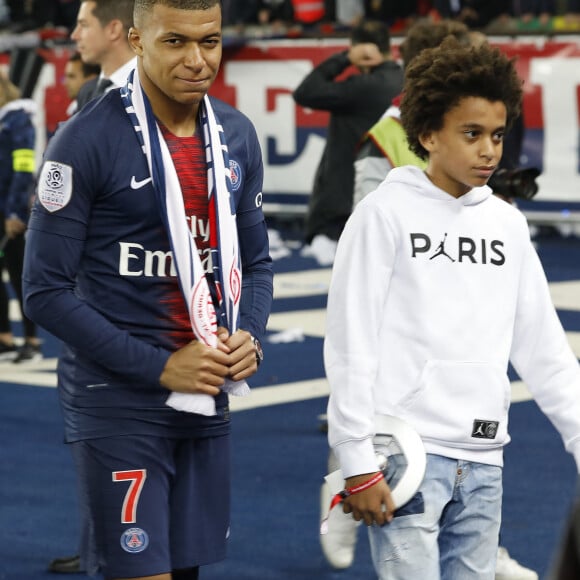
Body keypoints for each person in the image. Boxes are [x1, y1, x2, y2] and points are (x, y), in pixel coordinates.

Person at [23, 1, 273, 580]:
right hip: (117, 399)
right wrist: (160, 367)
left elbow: (256, 264)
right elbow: (43, 290)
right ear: (137, 40)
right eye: (176, 43)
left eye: (209, 42)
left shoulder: (236, 135)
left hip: (206, 396)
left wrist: (250, 334)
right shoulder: (83, 141)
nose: (197, 60)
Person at [324, 37, 580, 580]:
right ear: (426, 133)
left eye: (497, 135)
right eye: (472, 134)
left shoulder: (508, 225)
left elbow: (543, 349)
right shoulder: (382, 215)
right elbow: (351, 343)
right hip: (403, 454)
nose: (489, 150)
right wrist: (356, 461)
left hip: (487, 458)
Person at [292, 19, 403, 265]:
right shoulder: (405, 81)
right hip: (390, 200)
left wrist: (344, 58)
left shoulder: (362, 87)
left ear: (360, 50)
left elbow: (305, 92)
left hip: (342, 209)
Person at [0, 72, 42, 364]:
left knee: (19, 276)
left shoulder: (18, 120)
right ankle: (5, 338)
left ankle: (32, 341)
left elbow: (24, 166)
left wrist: (15, 211)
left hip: (10, 211)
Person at [71, 0, 136, 110]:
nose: (74, 35)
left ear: (114, 30)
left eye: (84, 25)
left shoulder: (153, 90)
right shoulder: (87, 91)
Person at [63, 51, 100, 116]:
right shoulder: (74, 109)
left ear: (92, 78)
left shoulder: (98, 112)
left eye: (71, 76)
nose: (65, 83)